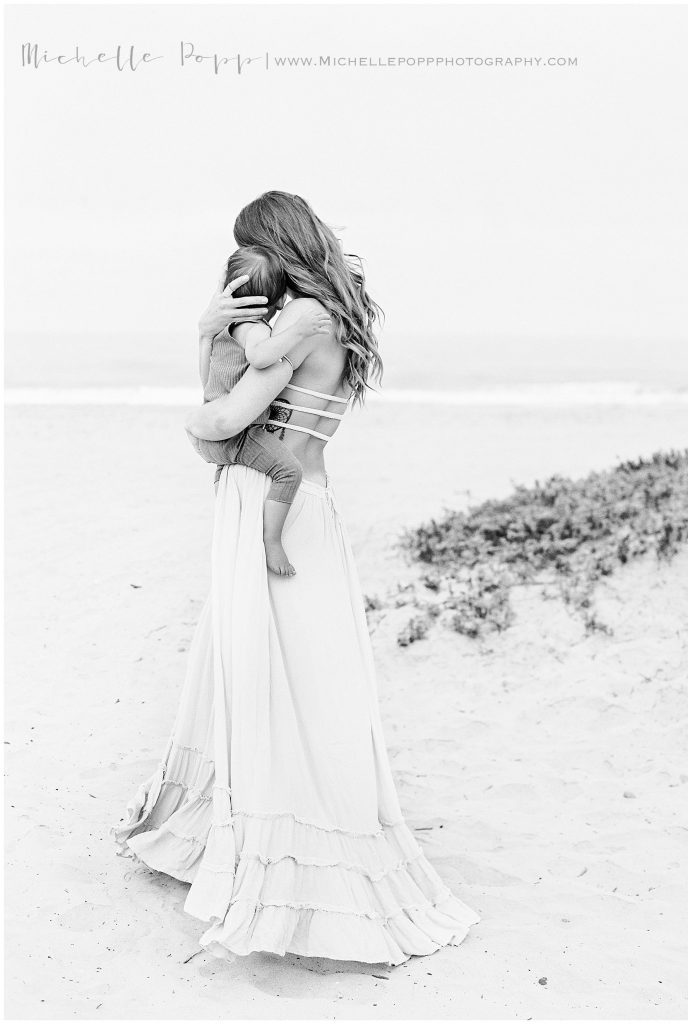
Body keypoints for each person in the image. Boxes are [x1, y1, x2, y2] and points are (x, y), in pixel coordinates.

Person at [111, 191, 480, 966]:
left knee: (273, 681)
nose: (255, 271)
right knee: (298, 681)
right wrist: (213, 341)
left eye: (256, 250)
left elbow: (221, 417)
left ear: (277, 244)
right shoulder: (333, 314)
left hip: (273, 506)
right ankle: (236, 835)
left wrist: (206, 343)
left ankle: (297, 870)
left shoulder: (300, 320)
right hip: (305, 500)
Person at [189, 243, 332, 577]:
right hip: (238, 434)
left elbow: (206, 378)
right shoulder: (253, 330)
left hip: (214, 432)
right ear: (279, 300)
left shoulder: (224, 331)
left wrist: (204, 337)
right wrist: (297, 330)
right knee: (288, 472)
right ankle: (272, 542)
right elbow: (260, 357)